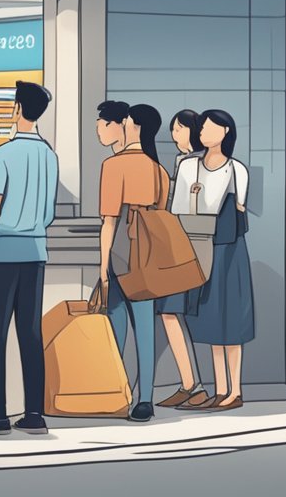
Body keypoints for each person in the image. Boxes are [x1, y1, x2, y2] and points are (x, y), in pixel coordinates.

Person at [0, 82, 58, 438]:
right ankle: (34, 414)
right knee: (30, 333)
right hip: (35, 251)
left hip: (2, 252)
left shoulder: (2, 154)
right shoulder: (49, 155)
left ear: (18, 109)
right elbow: (49, 212)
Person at [96, 101, 169, 423]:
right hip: (150, 257)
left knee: (116, 331)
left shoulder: (114, 165)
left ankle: (119, 394)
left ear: (131, 125)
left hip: (122, 254)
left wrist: (103, 268)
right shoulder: (159, 170)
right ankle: (146, 399)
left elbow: (109, 221)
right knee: (145, 330)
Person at [177, 110, 255, 412]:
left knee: (231, 318)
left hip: (229, 249)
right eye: (203, 127)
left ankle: (235, 390)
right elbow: (179, 207)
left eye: (210, 127)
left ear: (226, 132)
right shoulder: (188, 166)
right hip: (199, 246)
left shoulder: (237, 169)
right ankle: (220, 389)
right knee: (210, 318)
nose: (204, 132)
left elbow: (240, 210)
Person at [157, 109, 208, 409]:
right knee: (172, 314)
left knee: (172, 312)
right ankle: (190, 384)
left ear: (191, 130)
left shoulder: (192, 163)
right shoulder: (186, 161)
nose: (173, 134)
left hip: (186, 247)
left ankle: (192, 385)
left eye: (178, 128)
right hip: (186, 245)